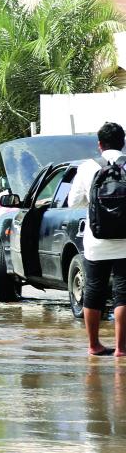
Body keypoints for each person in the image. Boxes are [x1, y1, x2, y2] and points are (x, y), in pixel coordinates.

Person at [67, 121, 126, 356]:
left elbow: (73, 202)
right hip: (125, 242)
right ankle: (121, 349)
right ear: (123, 143)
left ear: (99, 145)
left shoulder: (87, 168)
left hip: (96, 242)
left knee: (93, 290)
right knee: (123, 294)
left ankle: (94, 345)